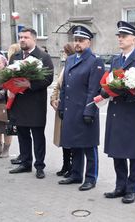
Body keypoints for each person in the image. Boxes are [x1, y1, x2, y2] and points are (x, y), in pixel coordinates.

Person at [102, 21, 135, 204]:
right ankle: (120, 186)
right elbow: (109, 81)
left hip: (132, 111)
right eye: (119, 36)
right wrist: (106, 90)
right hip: (116, 110)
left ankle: (132, 189)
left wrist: (129, 93)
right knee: (117, 151)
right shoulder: (116, 60)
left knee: (133, 152)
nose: (120, 39)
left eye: (124, 36)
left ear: (134, 38)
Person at [57, 25, 105, 191]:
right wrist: (61, 106)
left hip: (85, 111)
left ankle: (91, 178)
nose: (77, 43)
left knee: (88, 146)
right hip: (70, 110)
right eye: (75, 40)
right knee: (74, 143)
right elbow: (65, 87)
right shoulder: (70, 59)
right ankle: (76, 174)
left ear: (89, 42)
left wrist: (89, 111)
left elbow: (94, 90)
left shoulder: (95, 61)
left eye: (81, 40)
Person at [8, 27, 54, 179]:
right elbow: (8, 76)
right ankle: (25, 163)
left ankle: (39, 166)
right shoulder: (15, 57)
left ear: (34, 39)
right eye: (20, 37)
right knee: (22, 135)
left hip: (35, 104)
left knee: (38, 136)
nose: (22, 39)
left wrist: (29, 84)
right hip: (19, 103)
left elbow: (48, 79)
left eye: (25, 37)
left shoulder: (43, 57)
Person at [50, 43, 75, 177]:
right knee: (63, 139)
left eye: (64, 52)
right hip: (60, 106)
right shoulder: (64, 66)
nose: (62, 55)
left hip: (69, 107)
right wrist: (52, 99)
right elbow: (57, 86)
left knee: (70, 139)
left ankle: (72, 166)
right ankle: (65, 165)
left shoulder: (73, 66)